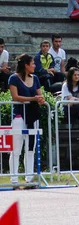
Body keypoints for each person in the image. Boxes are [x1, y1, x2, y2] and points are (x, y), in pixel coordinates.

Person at [8, 54, 44, 186]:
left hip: (32, 115)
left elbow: (40, 94)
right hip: (19, 115)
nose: (34, 65)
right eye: (32, 63)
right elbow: (15, 96)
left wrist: (41, 99)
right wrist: (33, 99)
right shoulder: (14, 78)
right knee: (17, 148)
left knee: (30, 148)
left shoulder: (35, 78)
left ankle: (29, 179)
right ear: (26, 65)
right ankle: (14, 179)